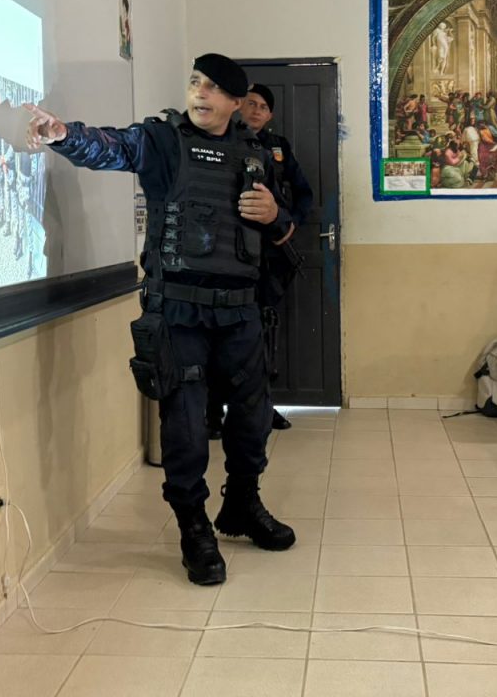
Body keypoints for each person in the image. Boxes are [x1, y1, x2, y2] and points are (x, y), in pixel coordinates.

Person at [26, 53, 297, 586]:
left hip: (240, 310)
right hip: (179, 311)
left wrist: (276, 217)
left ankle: (242, 504)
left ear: (236, 103)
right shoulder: (163, 142)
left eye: (213, 88)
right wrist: (62, 134)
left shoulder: (255, 154)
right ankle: (193, 527)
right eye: (195, 82)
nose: (200, 93)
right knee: (186, 428)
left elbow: (281, 226)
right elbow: (110, 147)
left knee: (252, 419)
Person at [204, 83, 315, 437]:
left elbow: (304, 193)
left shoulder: (278, 148)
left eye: (263, 106)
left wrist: (288, 225)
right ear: (238, 106)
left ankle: (261, 408)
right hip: (226, 255)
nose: (255, 110)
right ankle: (211, 411)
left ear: (270, 115)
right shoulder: (219, 142)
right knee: (215, 333)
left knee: (260, 336)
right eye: (250, 103)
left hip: (268, 256)